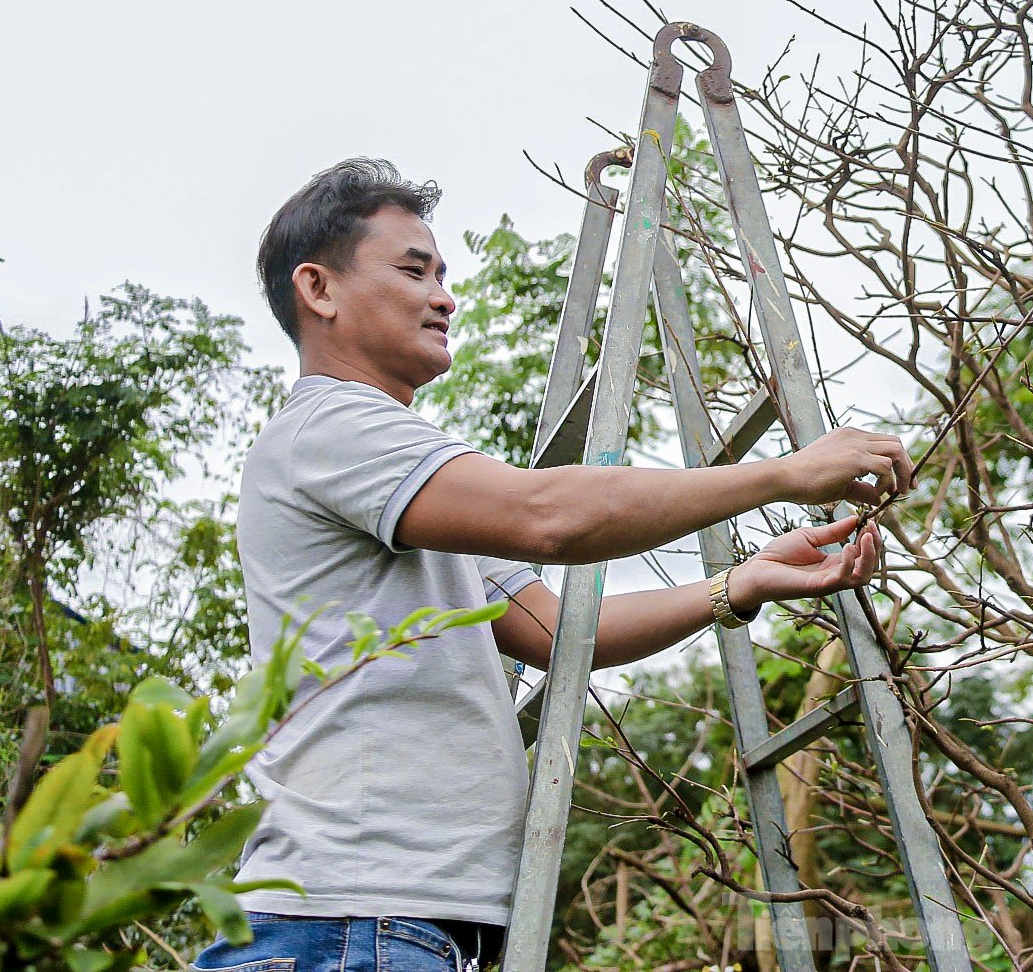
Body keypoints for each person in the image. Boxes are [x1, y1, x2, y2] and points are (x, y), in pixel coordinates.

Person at [191, 158, 909, 972]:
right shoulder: (333, 429)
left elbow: (566, 630)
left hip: (393, 924)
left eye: (444, 274)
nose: (444, 296)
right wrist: (781, 473)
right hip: (353, 923)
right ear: (318, 289)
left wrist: (739, 583)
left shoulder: (396, 466)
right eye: (413, 270)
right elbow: (548, 517)